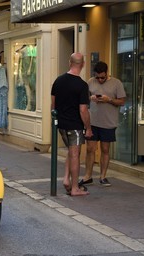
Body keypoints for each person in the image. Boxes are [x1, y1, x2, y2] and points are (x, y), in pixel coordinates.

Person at [79, 61, 126, 187]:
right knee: (90, 149)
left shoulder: (116, 83)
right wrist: (91, 98)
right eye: (97, 77)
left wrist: (108, 99)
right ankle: (88, 176)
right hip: (92, 121)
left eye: (102, 77)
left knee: (105, 149)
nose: (99, 80)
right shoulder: (90, 81)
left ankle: (103, 176)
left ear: (107, 73)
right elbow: (83, 98)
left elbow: (122, 101)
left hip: (108, 122)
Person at [51, 52, 92, 196]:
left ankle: (66, 179)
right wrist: (88, 128)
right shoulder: (82, 85)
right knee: (75, 154)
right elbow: (83, 110)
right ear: (83, 64)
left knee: (70, 151)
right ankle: (74, 188)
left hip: (61, 124)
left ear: (70, 62)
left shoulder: (58, 81)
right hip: (74, 125)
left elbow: (53, 105)